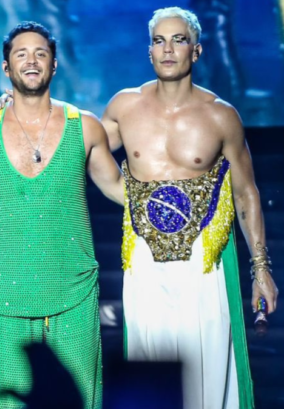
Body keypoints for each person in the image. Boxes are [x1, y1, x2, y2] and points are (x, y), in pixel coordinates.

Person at [101, 7, 278, 408]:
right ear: (149, 51)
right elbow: (78, 148)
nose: (167, 49)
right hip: (144, 259)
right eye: (159, 41)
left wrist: (261, 269)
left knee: (208, 368)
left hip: (204, 263)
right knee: (149, 364)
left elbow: (246, 193)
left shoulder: (220, 115)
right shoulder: (124, 107)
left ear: (196, 51)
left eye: (178, 40)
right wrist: (18, 107)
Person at [0, 22, 123, 409]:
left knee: (79, 402)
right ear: (6, 67)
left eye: (40, 54)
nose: (31, 61)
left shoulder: (85, 126)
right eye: (21, 54)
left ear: (54, 64)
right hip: (4, 293)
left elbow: (120, 189)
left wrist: (183, 201)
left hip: (73, 290)